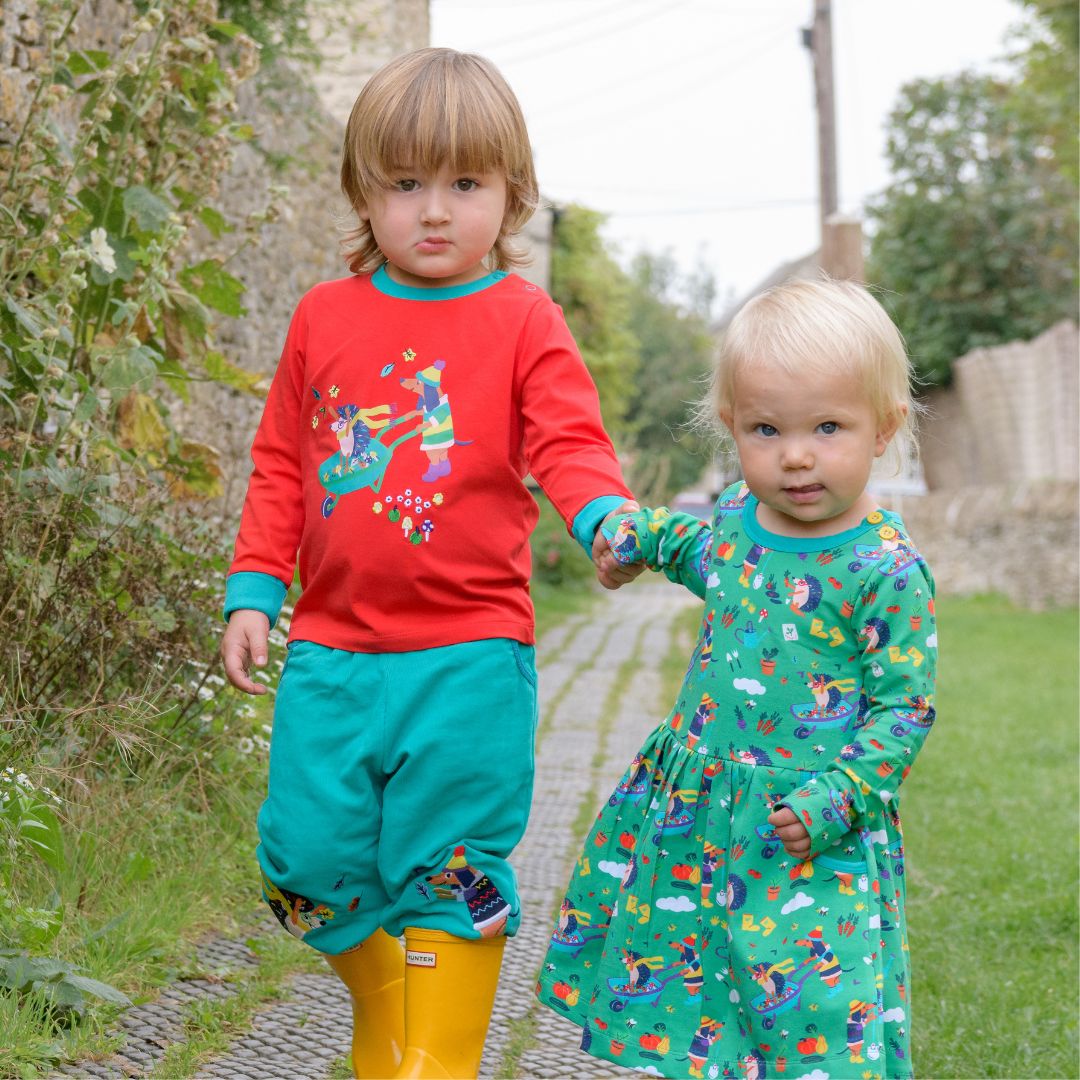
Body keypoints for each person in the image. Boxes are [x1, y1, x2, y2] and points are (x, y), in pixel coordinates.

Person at [220, 47, 640, 1080]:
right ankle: (391, 1019)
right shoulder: (325, 315)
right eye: (407, 185)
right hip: (331, 655)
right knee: (301, 868)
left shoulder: (524, 320)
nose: (436, 210)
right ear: (366, 191)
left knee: (447, 876)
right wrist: (254, 589)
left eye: (465, 183)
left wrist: (602, 520)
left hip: (468, 661)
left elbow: (568, 443)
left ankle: (432, 1062)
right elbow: (281, 463)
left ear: (512, 194)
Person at [535, 278, 938, 1079]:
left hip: (807, 833)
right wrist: (626, 535)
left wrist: (839, 796)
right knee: (695, 1007)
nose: (795, 454)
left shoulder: (882, 569)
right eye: (766, 428)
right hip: (699, 818)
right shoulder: (732, 529)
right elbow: (674, 539)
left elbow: (904, 708)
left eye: (828, 427)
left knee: (814, 1023)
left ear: (884, 428)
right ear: (732, 428)